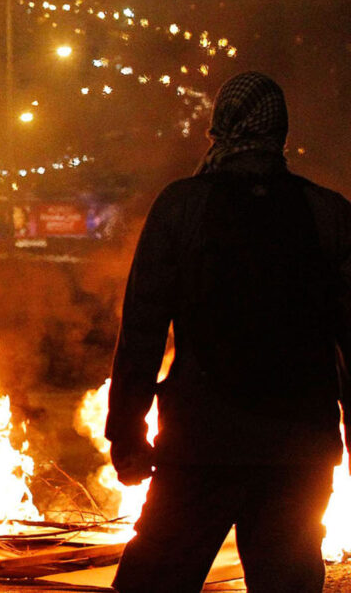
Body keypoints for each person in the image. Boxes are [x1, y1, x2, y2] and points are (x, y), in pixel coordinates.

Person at [105, 71, 351, 592]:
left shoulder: (182, 206)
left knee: (153, 583)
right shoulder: (328, 214)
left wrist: (127, 434)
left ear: (222, 127)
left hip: (201, 446)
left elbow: (143, 331)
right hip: (298, 452)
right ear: (279, 133)